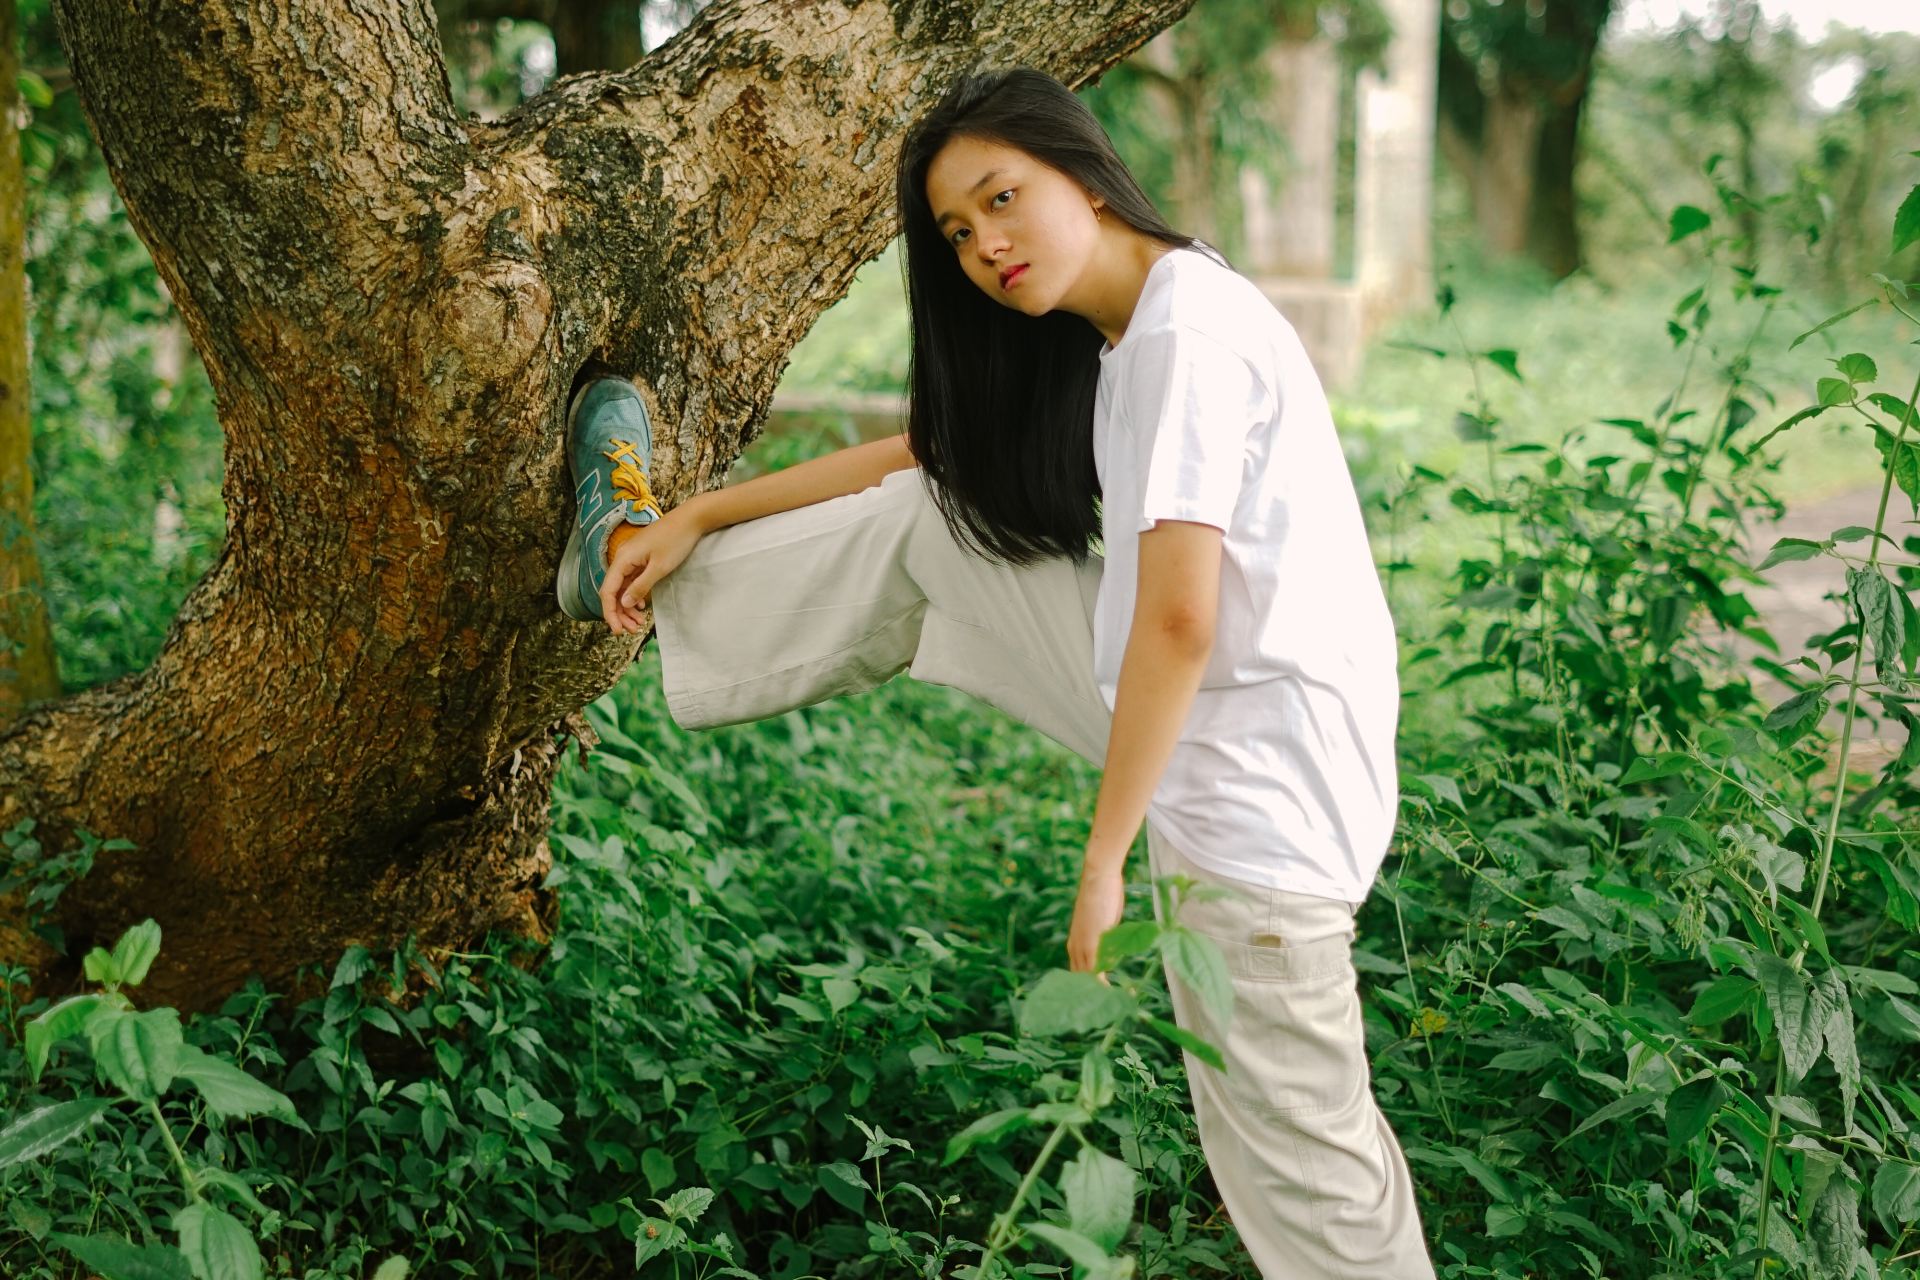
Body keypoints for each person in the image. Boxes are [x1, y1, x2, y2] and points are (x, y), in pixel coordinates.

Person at [552, 66, 1434, 1280]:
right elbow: (935, 453)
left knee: (1312, 1199)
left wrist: (1103, 860)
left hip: (1247, 813)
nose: (987, 245)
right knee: (932, 517)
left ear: (1083, 169)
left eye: (1003, 198)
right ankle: (634, 560)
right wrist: (700, 513)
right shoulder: (1143, 324)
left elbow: (1176, 620)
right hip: (1223, 742)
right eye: (961, 233)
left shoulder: (1184, 336)